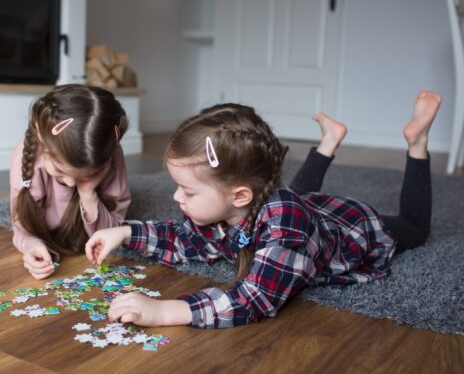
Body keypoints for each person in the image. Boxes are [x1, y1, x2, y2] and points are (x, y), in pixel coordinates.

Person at [85, 90, 441, 329]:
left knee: (414, 227)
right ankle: (329, 141)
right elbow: (182, 239)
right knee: (293, 194)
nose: (177, 198)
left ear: (239, 196)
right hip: (293, 211)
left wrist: (165, 310)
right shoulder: (236, 203)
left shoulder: (288, 226)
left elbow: (255, 299)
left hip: (349, 227)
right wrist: (126, 232)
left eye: (188, 191)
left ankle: (417, 142)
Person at [10, 84, 131, 280]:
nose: (71, 183)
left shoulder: (111, 155)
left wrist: (88, 194)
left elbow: (112, 233)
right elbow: (20, 227)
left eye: (85, 175)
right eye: (60, 170)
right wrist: (30, 244)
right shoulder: (30, 157)